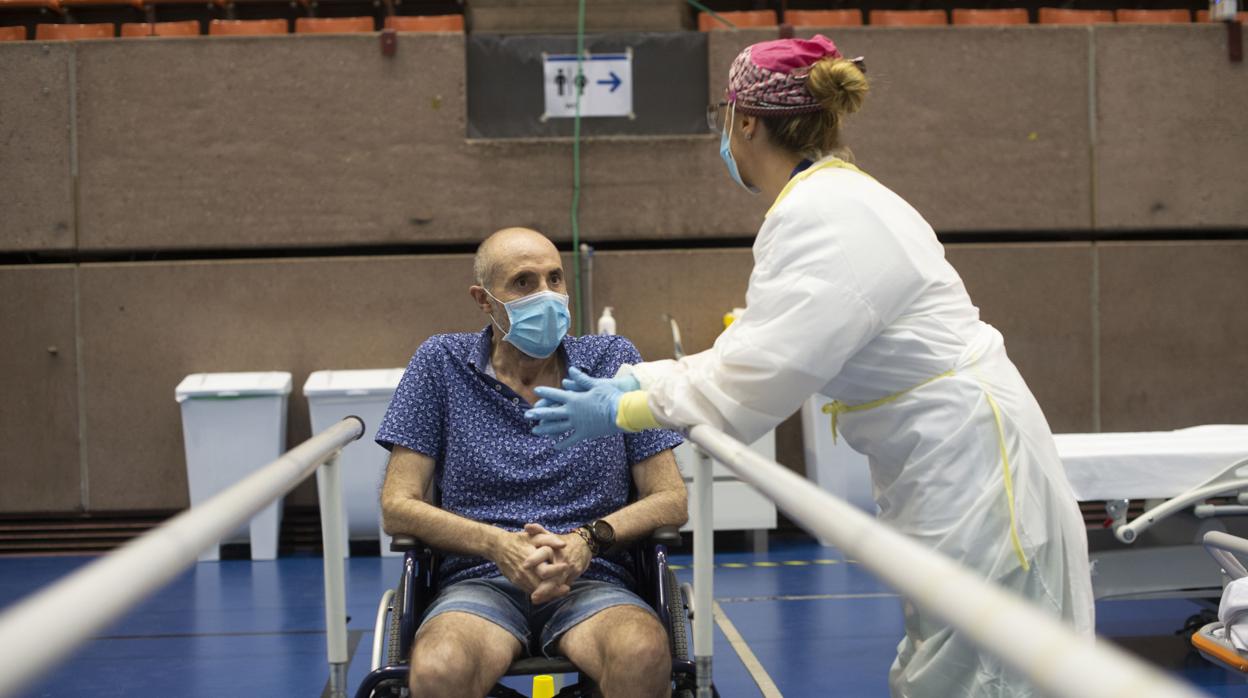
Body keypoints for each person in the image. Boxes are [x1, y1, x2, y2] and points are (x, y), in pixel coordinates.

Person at [527, 35, 1094, 697]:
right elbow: (759, 348)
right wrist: (641, 377)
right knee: (956, 662)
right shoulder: (836, 201)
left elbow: (759, 378)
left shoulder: (822, 215)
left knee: (983, 675)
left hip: (974, 472)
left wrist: (623, 408)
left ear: (743, 120)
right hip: (946, 460)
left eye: (722, 117)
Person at [376, 227, 688, 697]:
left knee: (643, 654)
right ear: (484, 300)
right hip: (478, 580)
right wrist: (498, 545)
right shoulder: (440, 363)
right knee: (440, 670)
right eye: (524, 282)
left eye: (555, 279)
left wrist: (588, 540)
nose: (547, 295)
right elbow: (397, 505)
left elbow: (670, 498)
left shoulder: (609, 362)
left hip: (592, 576)